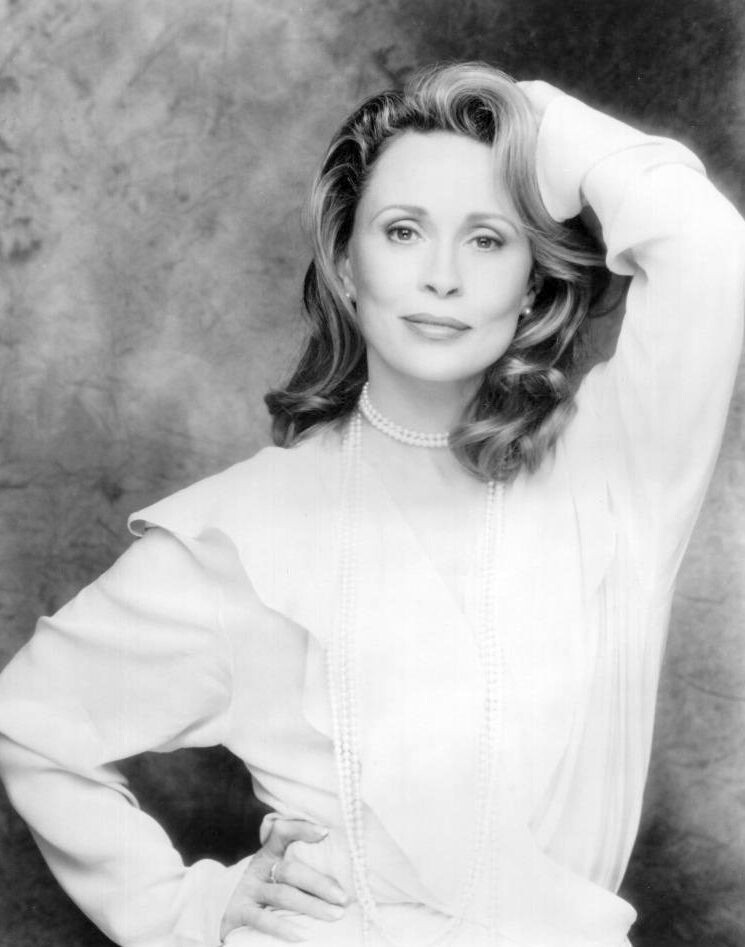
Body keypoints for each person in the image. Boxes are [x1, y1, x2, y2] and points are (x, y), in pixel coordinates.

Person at [0, 61, 743, 947]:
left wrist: (526, 117)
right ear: (347, 265)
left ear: (533, 287)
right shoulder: (244, 532)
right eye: (402, 231)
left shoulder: (612, 478)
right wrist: (183, 908)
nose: (441, 276)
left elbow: (706, 244)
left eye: (487, 239)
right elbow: (30, 722)